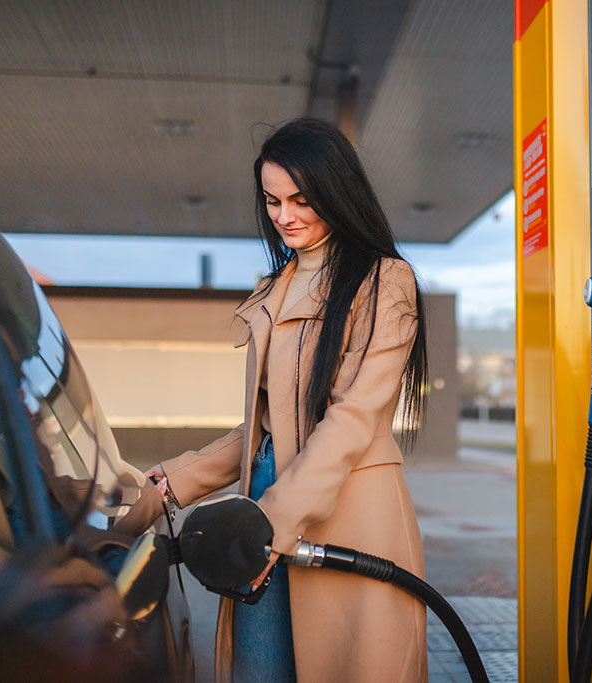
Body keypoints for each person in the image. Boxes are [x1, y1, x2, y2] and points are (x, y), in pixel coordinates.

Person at [145, 118, 430, 683]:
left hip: (349, 512)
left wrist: (269, 526)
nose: (285, 216)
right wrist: (172, 483)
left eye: (302, 199)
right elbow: (266, 431)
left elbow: (352, 419)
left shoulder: (384, 280)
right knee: (259, 670)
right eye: (273, 200)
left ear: (337, 191)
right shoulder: (273, 286)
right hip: (267, 499)